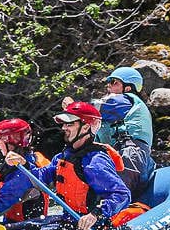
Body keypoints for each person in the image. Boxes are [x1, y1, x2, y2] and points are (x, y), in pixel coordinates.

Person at [7, 101, 130, 230]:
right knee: (9, 229)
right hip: (68, 221)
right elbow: (42, 177)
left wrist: (96, 214)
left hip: (89, 229)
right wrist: (24, 165)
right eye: (64, 124)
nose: (64, 127)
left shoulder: (95, 162)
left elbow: (122, 195)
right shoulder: (65, 156)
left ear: (85, 127)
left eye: (70, 124)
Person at [63, 65, 155, 197]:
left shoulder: (125, 100)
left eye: (114, 82)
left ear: (128, 88)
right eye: (109, 82)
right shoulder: (111, 114)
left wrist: (74, 106)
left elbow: (96, 109)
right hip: (116, 155)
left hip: (130, 153)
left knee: (118, 195)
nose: (109, 86)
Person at [0, 118, 50, 222]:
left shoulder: (21, 173)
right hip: (28, 223)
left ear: (11, 144)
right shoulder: (36, 157)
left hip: (25, 228)